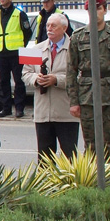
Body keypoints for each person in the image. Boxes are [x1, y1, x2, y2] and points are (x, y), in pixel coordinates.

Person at [22, 12, 79, 160]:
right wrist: (36, 79)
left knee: (69, 157)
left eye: (53, 26)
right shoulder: (35, 49)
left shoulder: (75, 48)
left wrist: (57, 80)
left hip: (66, 114)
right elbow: (25, 74)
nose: (49, 29)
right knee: (45, 159)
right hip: (43, 114)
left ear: (64, 28)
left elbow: (81, 76)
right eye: (47, 25)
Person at [67, 0, 110, 153]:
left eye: (98, 8)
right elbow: (71, 70)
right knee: (91, 145)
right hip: (87, 96)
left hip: (108, 92)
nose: (94, 12)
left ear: (105, 10)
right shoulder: (78, 37)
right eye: (90, 8)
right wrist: (74, 102)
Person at [0, 0, 32, 118]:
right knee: (3, 82)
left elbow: (27, 32)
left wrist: (21, 45)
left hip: (16, 53)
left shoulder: (19, 13)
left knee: (19, 81)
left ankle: (19, 108)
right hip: (2, 53)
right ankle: (6, 108)